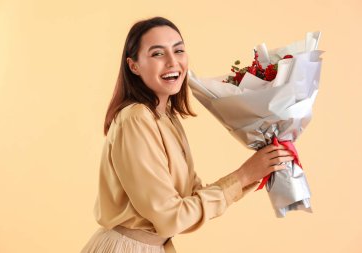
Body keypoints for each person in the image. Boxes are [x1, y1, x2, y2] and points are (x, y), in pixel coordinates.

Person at [80, 16, 294, 253]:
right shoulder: (136, 118)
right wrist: (243, 175)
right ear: (134, 66)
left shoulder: (166, 117)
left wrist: (259, 168)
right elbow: (171, 217)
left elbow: (190, 199)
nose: (173, 62)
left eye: (178, 50)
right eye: (157, 54)